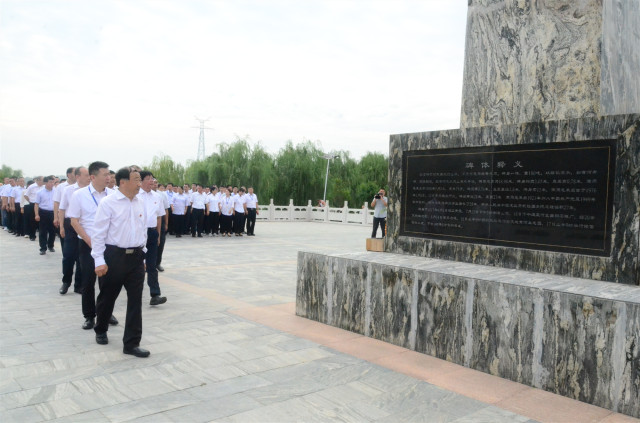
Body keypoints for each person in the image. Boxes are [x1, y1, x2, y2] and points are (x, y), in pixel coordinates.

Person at [92, 166, 149, 357]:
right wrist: (99, 260)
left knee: (136, 301)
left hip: (136, 258)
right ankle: (100, 328)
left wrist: (144, 254)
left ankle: (131, 344)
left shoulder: (141, 202)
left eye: (140, 179)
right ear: (122, 182)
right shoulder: (109, 203)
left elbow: (143, 230)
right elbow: (98, 233)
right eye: (136, 180)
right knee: (108, 296)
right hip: (114, 256)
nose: (139, 184)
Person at [67, 161, 119, 329]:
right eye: (105, 174)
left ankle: (106, 312)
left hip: (108, 245)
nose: (109, 177)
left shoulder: (113, 195)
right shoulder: (79, 195)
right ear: (92, 177)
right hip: (87, 244)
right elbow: (74, 221)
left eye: (109, 174)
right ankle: (89, 315)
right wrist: (89, 240)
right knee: (88, 281)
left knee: (107, 282)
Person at [138, 171, 167, 306]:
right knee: (136, 266)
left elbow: (159, 216)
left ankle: (155, 294)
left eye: (152, 179)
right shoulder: (135, 195)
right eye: (148, 179)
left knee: (152, 265)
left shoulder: (157, 196)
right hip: (138, 235)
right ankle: (134, 292)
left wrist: (158, 235)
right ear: (141, 181)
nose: (151, 181)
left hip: (152, 233)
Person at [58, 167, 88, 294]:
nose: (89, 177)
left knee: (82, 257)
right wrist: (61, 226)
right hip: (70, 225)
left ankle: (79, 285)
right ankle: (66, 281)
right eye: (86, 175)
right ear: (78, 177)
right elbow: (62, 209)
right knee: (68, 255)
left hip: (85, 225)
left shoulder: (91, 190)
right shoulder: (68, 190)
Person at [34, 176, 56, 255]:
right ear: (46, 183)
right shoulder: (40, 192)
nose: (52, 184)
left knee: (52, 230)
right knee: (43, 231)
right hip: (43, 212)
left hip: (53, 213)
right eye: (50, 182)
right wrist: (36, 214)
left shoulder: (56, 191)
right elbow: (36, 204)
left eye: (53, 182)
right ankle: (43, 248)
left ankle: (51, 245)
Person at [154, 179, 169, 272]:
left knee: (161, 243)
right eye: (153, 182)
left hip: (161, 220)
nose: (154, 184)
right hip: (149, 223)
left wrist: (166, 223)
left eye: (156, 182)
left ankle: (158, 263)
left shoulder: (162, 195)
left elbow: (166, 209)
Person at [24, 176, 43, 241]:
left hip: (41, 205)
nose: (43, 182)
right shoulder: (32, 186)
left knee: (42, 221)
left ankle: (42, 236)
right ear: (38, 180)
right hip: (33, 204)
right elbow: (26, 195)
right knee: (32, 221)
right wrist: (30, 201)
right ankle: (32, 236)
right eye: (42, 180)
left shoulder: (43, 187)